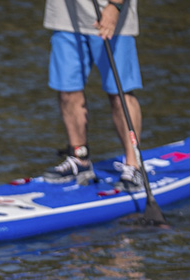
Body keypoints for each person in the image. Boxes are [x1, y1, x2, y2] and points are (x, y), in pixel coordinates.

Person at [42, 0, 146, 189]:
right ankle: (79, 159)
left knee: (119, 94)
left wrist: (115, 6)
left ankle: (133, 165)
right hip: (66, 17)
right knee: (68, 90)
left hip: (111, 16)